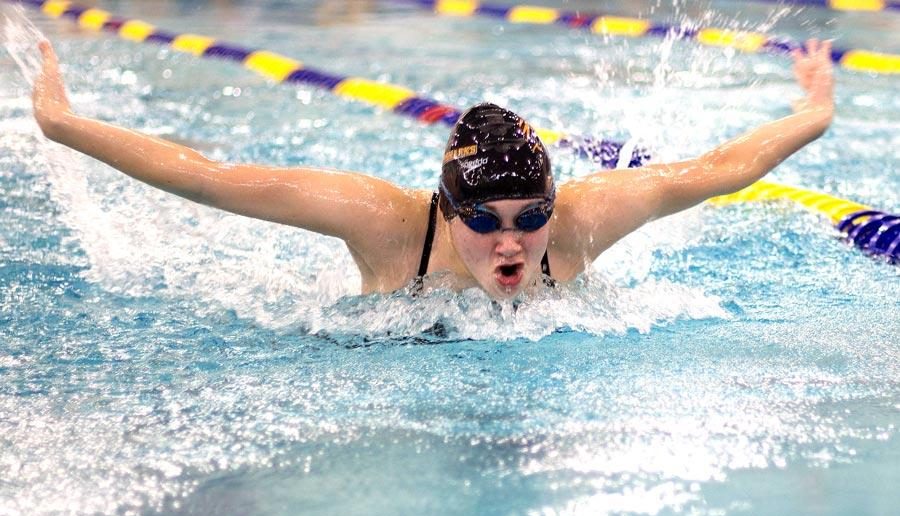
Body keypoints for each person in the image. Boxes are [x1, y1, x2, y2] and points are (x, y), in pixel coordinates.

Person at [32, 39, 835, 301]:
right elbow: (207, 177)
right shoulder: (383, 225)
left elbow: (722, 169)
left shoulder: (586, 221)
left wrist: (816, 112)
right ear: (447, 213)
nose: (512, 244)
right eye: (484, 221)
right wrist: (64, 124)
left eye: (530, 217)